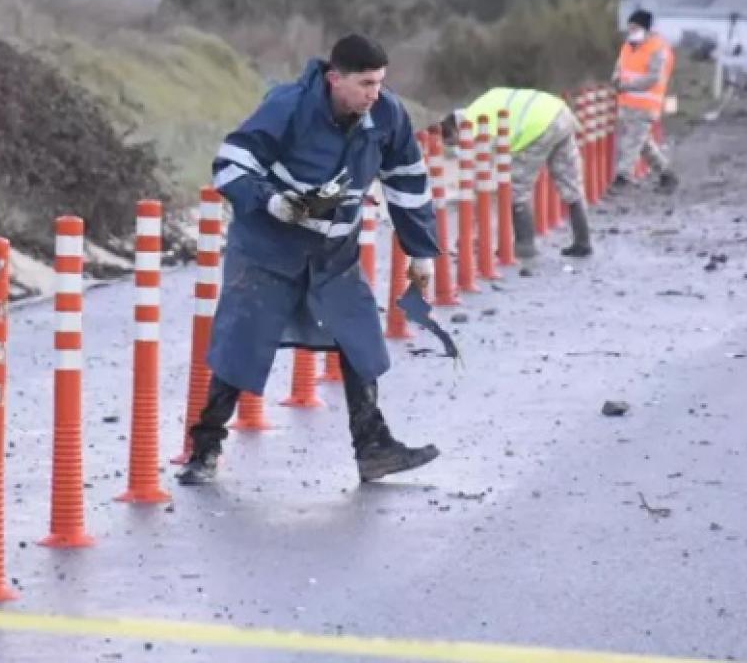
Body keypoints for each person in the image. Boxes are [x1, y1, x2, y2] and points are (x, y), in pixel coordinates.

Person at [177, 33, 441, 486]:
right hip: (267, 250)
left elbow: (407, 183)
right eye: (364, 84)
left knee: (360, 340)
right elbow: (230, 164)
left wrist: (420, 252)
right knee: (241, 344)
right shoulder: (289, 106)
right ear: (335, 78)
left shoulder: (386, 115)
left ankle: (373, 448)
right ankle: (205, 448)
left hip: (334, 255)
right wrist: (270, 201)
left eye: (379, 82)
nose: (374, 94)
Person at [439, 88, 592, 259]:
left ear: (456, 130)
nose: (460, 145)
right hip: (560, 112)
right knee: (570, 183)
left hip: (538, 127)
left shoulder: (475, 125)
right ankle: (583, 241)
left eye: (455, 142)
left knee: (516, 189)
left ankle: (524, 245)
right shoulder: (480, 105)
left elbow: (481, 176)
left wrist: (469, 233)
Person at [609, 9, 678, 194]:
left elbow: (654, 77)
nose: (631, 30)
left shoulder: (658, 48)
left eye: (635, 27)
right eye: (630, 27)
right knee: (643, 145)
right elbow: (619, 67)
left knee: (631, 142)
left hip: (646, 106)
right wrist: (616, 80)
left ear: (646, 28)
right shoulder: (628, 46)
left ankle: (622, 178)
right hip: (627, 104)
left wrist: (627, 85)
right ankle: (666, 174)